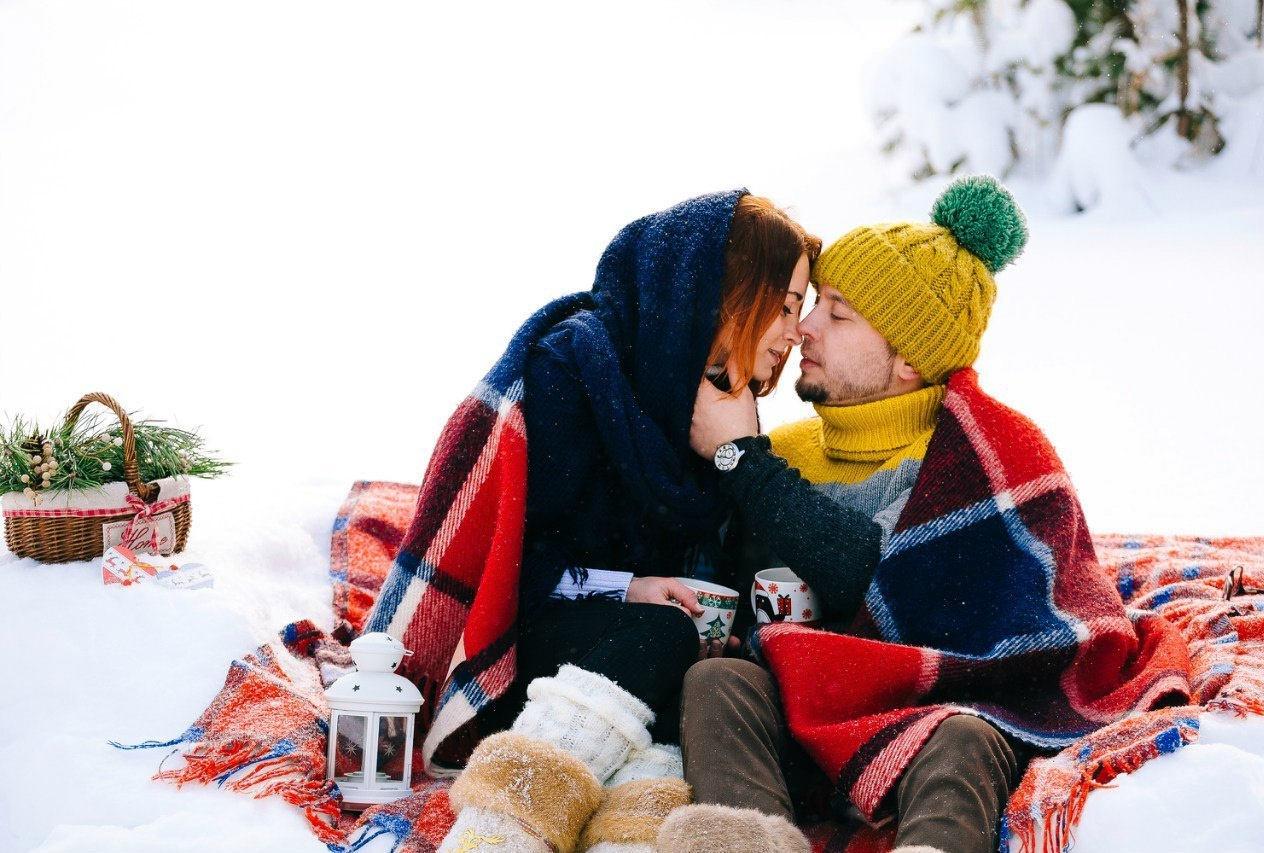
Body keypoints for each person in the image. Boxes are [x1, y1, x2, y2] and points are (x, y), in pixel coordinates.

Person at [659, 176, 1190, 853]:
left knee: (965, 734)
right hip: (810, 706)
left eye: (838, 312)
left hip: (937, 707)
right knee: (718, 683)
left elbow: (876, 577)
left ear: (908, 358)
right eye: (816, 301)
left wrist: (743, 461)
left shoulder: (989, 458)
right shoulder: (784, 453)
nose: (805, 327)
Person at [367, 190, 821, 853]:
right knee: (664, 636)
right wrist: (623, 587)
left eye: (800, 311)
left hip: (629, 674)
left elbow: (738, 567)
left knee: (695, 668)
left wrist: (739, 459)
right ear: (722, 293)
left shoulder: (724, 409)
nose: (793, 331)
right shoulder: (575, 369)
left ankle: (628, 839)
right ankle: (503, 828)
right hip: (515, 653)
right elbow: (511, 565)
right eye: (782, 305)